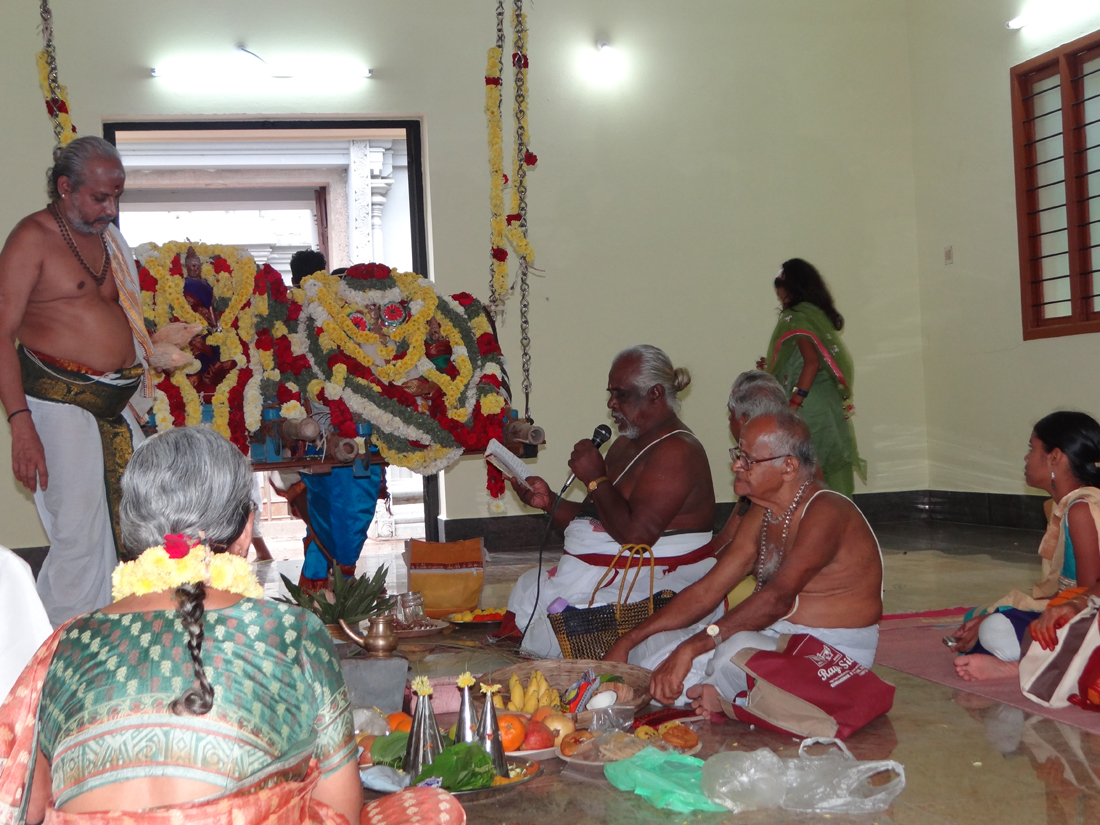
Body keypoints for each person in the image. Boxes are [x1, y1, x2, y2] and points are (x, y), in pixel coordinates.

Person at [0, 426, 365, 824]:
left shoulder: (67, 643)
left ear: (132, 531)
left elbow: (26, 805)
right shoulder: (292, 632)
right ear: (245, 530)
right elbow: (340, 810)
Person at [607, 410, 883, 713]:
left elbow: (776, 600)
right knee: (651, 647)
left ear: (788, 466)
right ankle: (721, 693)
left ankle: (724, 698)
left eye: (748, 459)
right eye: (738, 455)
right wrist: (629, 639)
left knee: (730, 651)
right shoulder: (763, 512)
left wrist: (692, 648)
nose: (736, 465)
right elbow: (708, 590)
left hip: (831, 654)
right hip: (773, 637)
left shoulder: (826, 512)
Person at [0, 136, 160, 626]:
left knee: (133, 530)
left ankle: (116, 643)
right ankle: (57, 654)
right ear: (66, 187)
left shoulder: (107, 239)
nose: (111, 210)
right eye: (100, 198)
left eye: (117, 197)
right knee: (78, 538)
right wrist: (21, 426)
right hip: (57, 405)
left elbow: (110, 316)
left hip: (115, 404)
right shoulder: (32, 238)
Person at [502, 344, 717, 657]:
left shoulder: (678, 450)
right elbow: (601, 519)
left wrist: (595, 478)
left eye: (621, 394)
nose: (611, 404)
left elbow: (636, 537)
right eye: (611, 393)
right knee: (528, 586)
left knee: (574, 615)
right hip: (617, 568)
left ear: (655, 394)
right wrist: (550, 503)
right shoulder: (624, 443)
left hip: (659, 579)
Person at [953, 411, 1100, 681]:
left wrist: (1004, 613)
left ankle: (1019, 665)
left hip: (1086, 615)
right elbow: (1066, 593)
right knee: (979, 617)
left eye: (1032, 448)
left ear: (1055, 456)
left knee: (995, 628)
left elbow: (1088, 601)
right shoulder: (1067, 506)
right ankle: (1029, 655)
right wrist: (1002, 609)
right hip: (1073, 607)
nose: (1026, 458)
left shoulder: (1081, 510)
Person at [757, 258, 865, 497]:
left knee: (809, 469)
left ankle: (818, 516)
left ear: (791, 288)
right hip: (826, 403)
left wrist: (794, 403)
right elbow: (803, 359)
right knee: (830, 463)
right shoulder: (815, 316)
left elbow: (812, 362)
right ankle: (839, 515)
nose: (780, 298)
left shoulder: (797, 317)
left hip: (809, 404)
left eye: (781, 293)